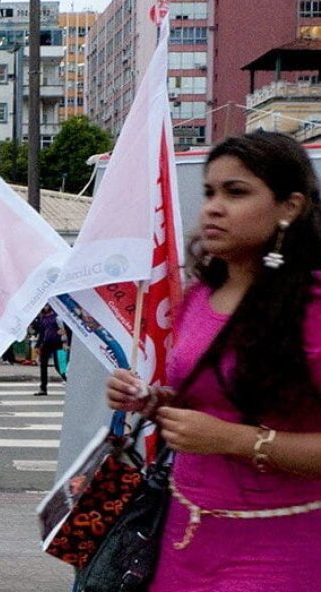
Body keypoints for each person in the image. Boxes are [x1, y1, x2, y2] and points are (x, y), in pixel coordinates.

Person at [105, 131, 321, 590]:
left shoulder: (314, 307)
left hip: (281, 550)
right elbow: (207, 402)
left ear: (290, 207)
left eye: (236, 192)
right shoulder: (201, 296)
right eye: (209, 192)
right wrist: (150, 400)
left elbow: (220, 428)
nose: (213, 207)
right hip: (181, 540)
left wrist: (234, 439)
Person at [33, 304, 68, 396]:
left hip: (58, 343)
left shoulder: (57, 317)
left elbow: (64, 330)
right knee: (43, 365)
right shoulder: (43, 319)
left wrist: (65, 342)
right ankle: (43, 388)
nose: (45, 307)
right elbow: (42, 333)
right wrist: (37, 345)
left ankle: (68, 380)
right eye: (44, 306)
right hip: (46, 344)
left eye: (47, 306)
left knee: (60, 365)